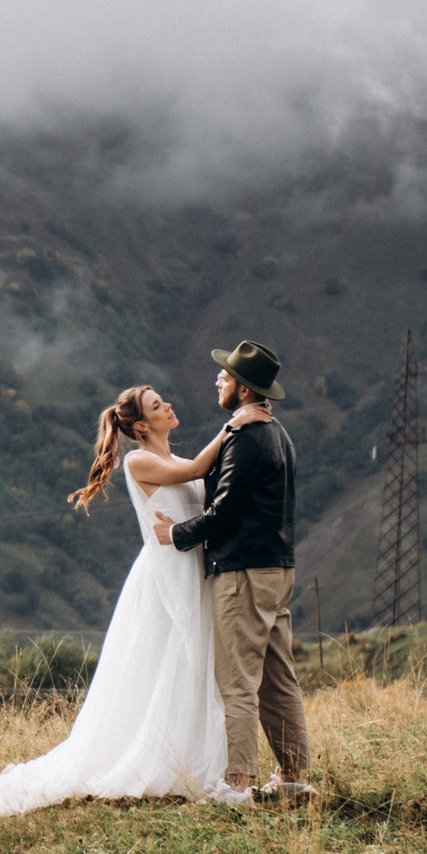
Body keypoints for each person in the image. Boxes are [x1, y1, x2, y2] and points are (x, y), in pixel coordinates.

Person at [0, 382, 250, 818]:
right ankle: (167, 759)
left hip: (192, 570)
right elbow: (195, 473)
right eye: (157, 406)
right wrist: (236, 425)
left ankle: (196, 760)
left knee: (191, 661)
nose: (168, 405)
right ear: (140, 425)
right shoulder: (140, 461)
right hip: (165, 577)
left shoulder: (172, 457)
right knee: (170, 660)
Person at [155, 340, 313, 802]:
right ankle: (293, 779)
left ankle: (237, 783)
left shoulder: (248, 437)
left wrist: (177, 535)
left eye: (225, 377)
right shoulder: (276, 433)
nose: (218, 380)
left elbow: (224, 512)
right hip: (277, 568)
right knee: (279, 677)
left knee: (237, 682)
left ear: (243, 390)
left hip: (243, 571)